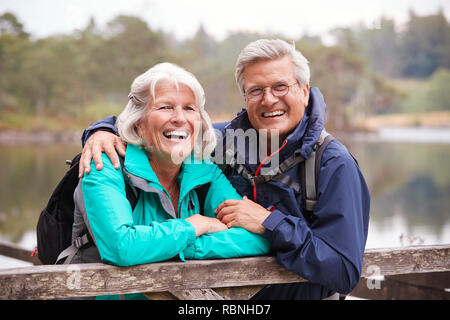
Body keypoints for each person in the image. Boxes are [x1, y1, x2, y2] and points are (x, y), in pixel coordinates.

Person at [79, 39, 370, 300]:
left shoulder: (333, 164)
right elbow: (161, 128)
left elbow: (343, 272)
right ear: (245, 97)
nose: (269, 99)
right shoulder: (220, 143)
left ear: (305, 92)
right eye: (256, 90)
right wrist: (99, 131)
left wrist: (270, 223)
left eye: (280, 86)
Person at [72, 62, 270, 299]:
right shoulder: (104, 164)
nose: (179, 118)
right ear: (139, 124)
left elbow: (259, 239)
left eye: (189, 108)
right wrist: (196, 225)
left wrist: (184, 246)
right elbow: (121, 247)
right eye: (165, 107)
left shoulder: (204, 171)